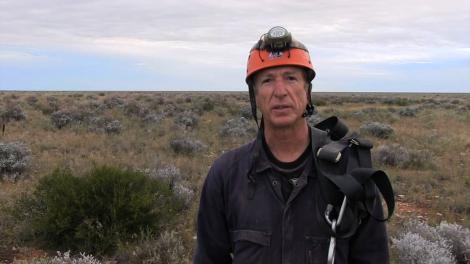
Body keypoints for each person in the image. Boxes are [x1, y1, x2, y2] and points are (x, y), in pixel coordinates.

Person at [194, 26, 390, 264]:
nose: (280, 92)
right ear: (255, 95)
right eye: (267, 80)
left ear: (307, 91)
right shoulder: (226, 175)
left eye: (291, 78)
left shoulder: (350, 172)